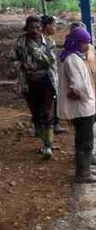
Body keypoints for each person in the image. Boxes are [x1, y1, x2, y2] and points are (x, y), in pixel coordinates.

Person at [58, 26, 96, 184]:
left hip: (83, 108)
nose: (87, 46)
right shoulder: (73, 60)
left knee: (83, 140)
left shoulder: (74, 56)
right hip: (82, 109)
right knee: (85, 141)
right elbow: (78, 86)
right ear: (77, 42)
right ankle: (83, 174)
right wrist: (88, 97)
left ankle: (85, 168)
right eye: (85, 43)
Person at [11, 15, 57, 159]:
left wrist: (36, 54)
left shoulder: (49, 42)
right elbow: (13, 58)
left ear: (41, 28)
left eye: (38, 27)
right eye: (32, 27)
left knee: (47, 112)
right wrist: (21, 66)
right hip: (28, 81)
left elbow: (50, 60)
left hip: (46, 80)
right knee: (36, 112)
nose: (35, 30)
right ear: (27, 28)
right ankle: (42, 138)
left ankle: (48, 146)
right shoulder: (21, 42)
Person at [41, 15, 67, 135]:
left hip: (49, 74)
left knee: (50, 100)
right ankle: (52, 125)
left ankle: (50, 124)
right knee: (50, 100)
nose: (55, 27)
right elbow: (49, 59)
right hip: (46, 75)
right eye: (53, 25)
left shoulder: (49, 40)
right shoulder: (46, 41)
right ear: (47, 26)